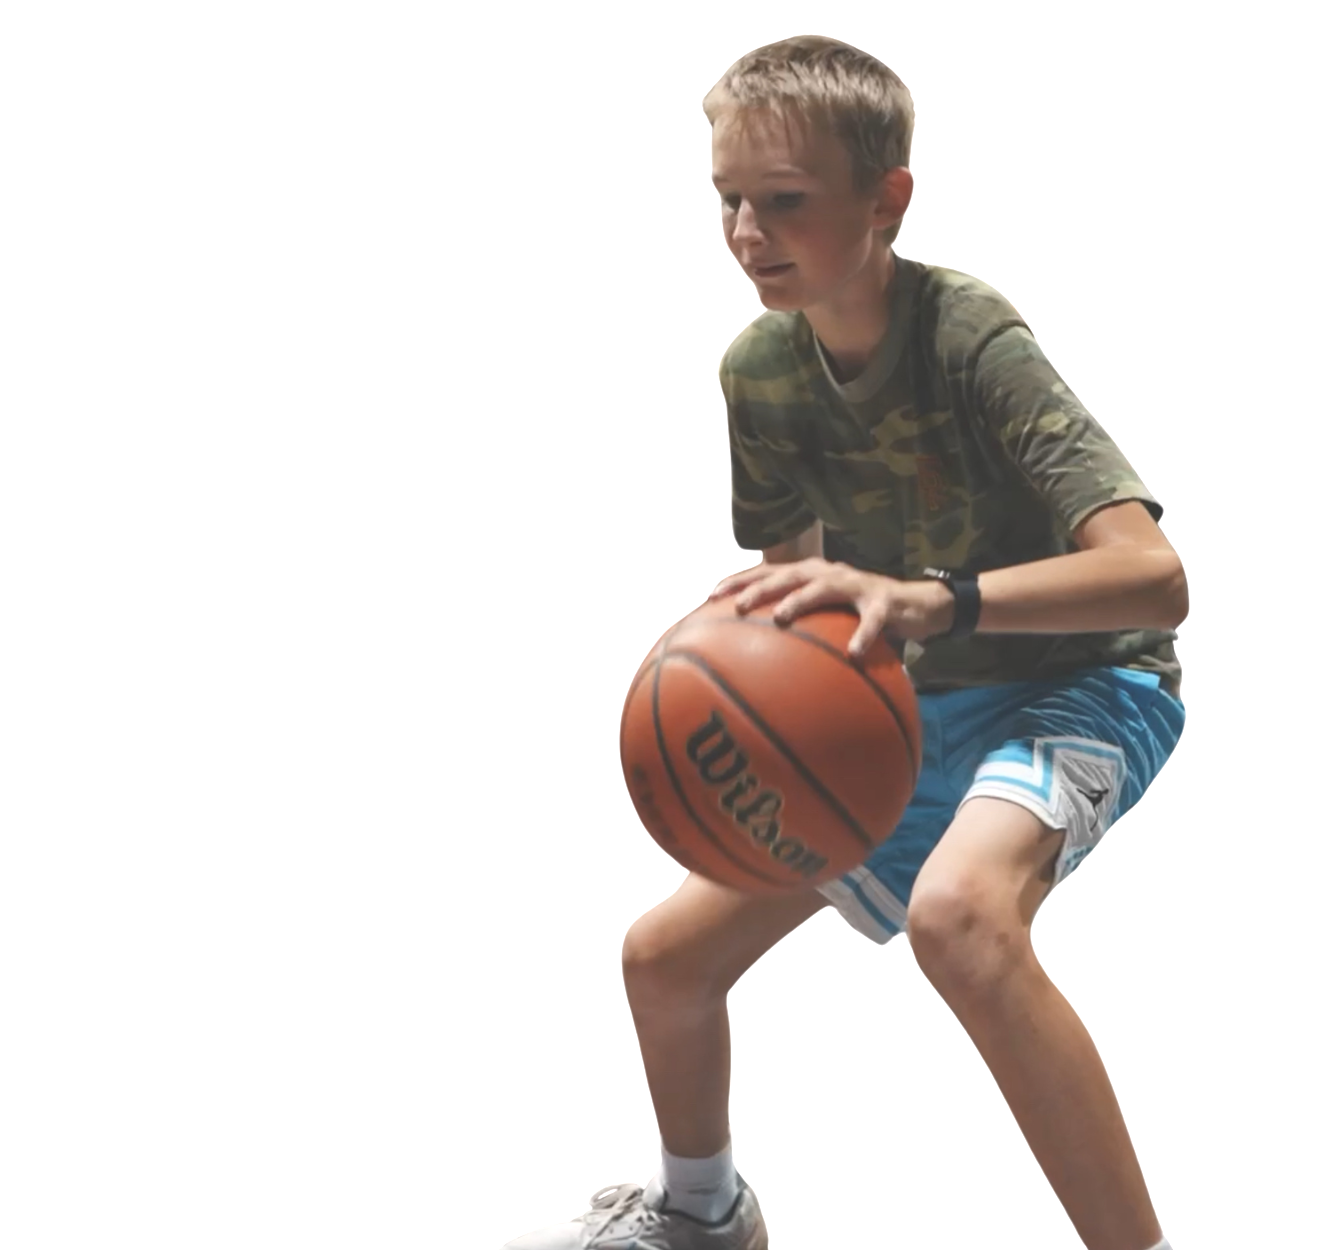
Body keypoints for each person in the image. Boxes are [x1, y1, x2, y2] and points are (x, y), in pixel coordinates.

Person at [501, 35, 1188, 1250]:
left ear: (885, 199)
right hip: (913, 705)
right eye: (726, 199)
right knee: (662, 957)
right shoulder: (759, 372)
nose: (744, 231)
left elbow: (1153, 577)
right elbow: (805, 602)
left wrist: (936, 599)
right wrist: (748, 683)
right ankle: (703, 1214)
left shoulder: (968, 336)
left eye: (782, 200)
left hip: (1083, 680)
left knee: (958, 918)